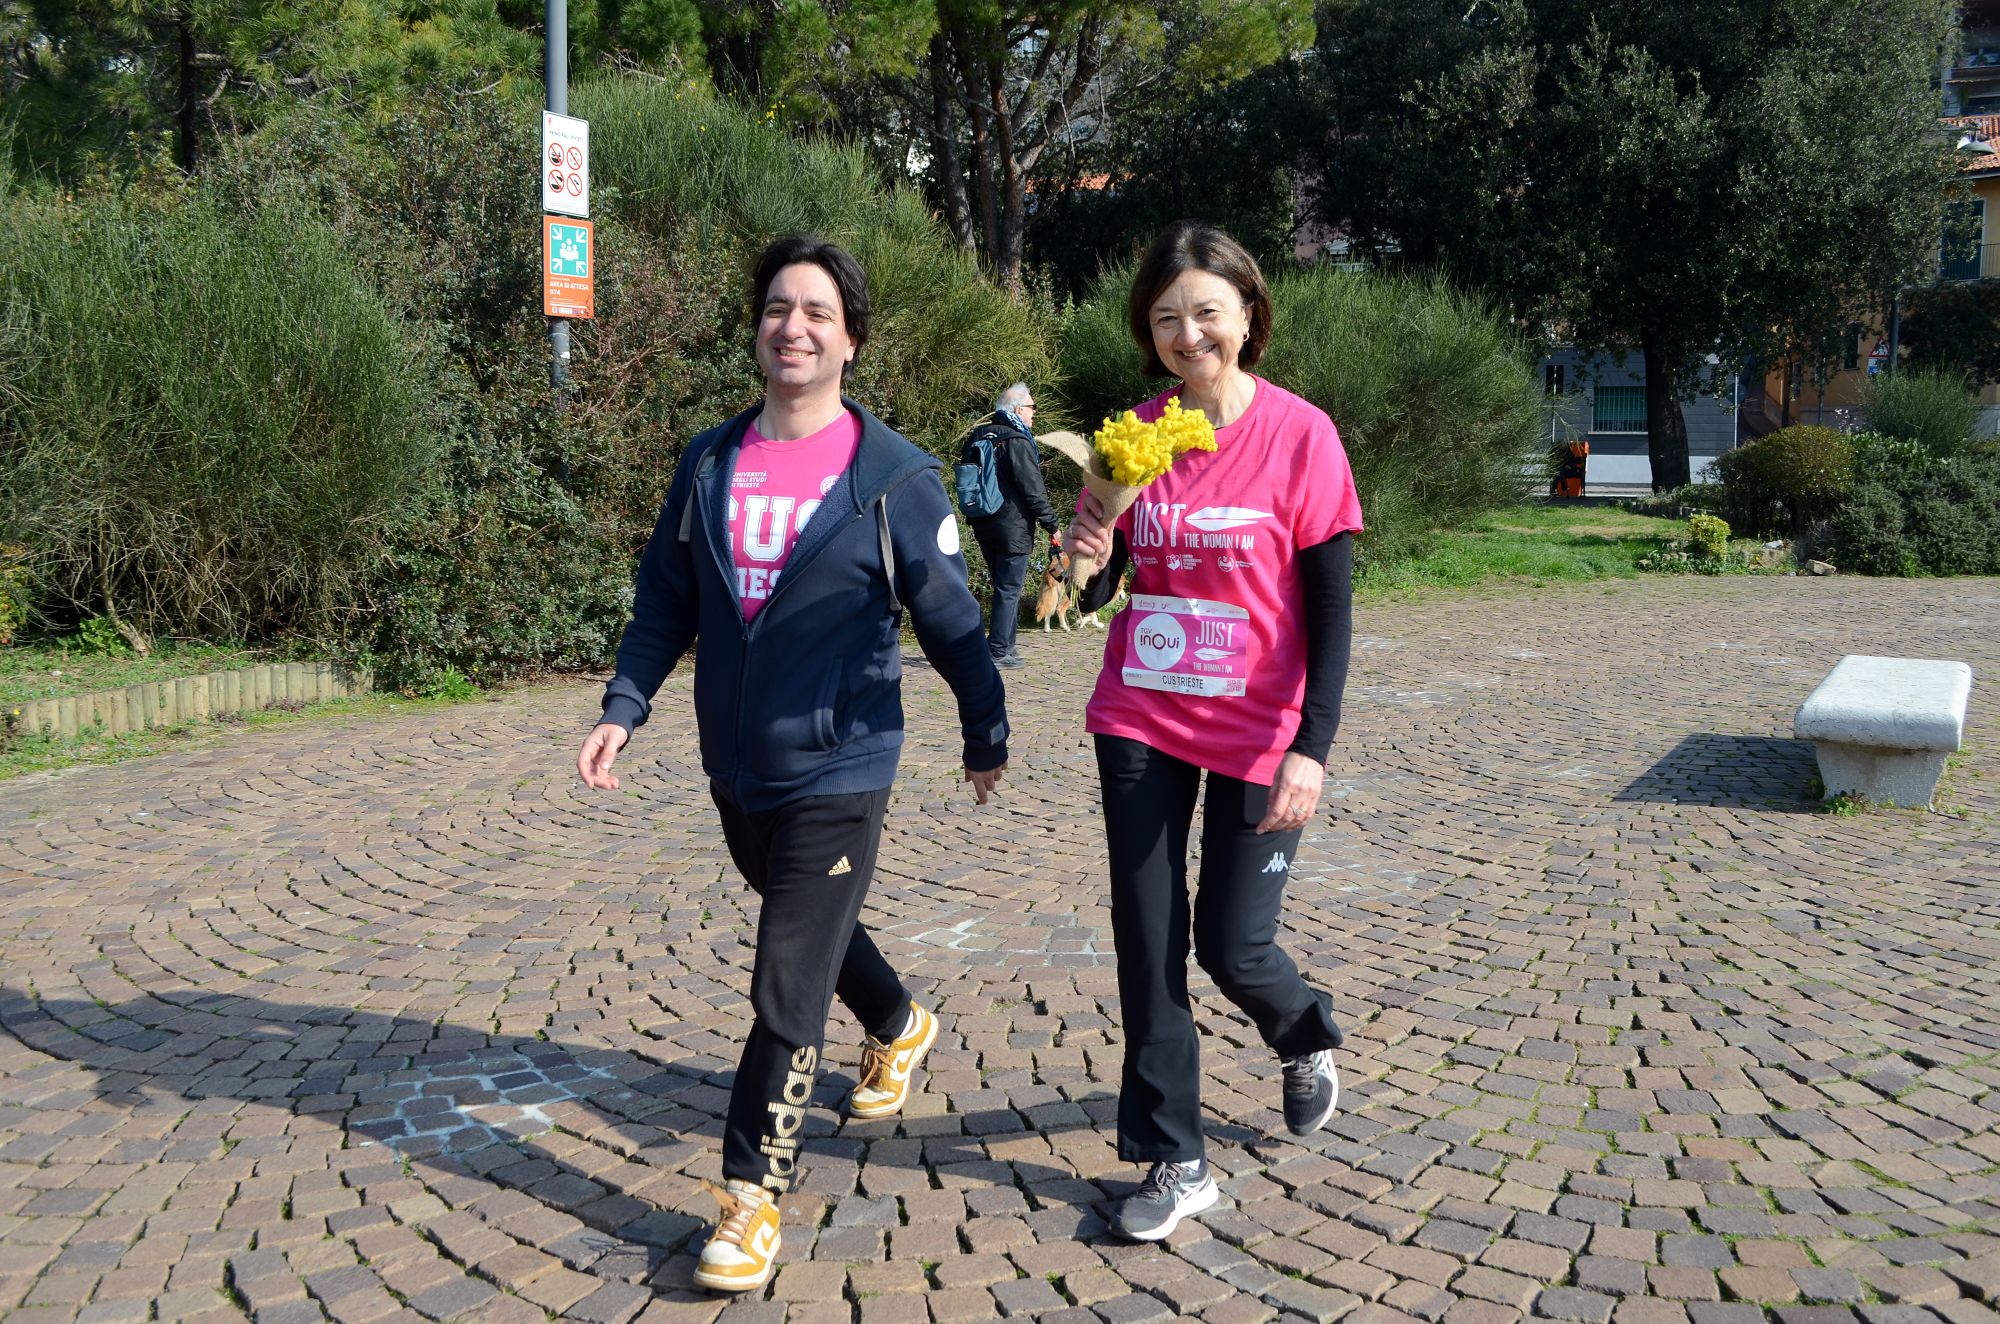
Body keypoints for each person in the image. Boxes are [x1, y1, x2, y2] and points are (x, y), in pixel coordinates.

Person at [577, 236, 1011, 1294]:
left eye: (818, 311)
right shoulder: (709, 461)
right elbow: (666, 600)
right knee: (805, 921)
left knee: (785, 976)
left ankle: (748, 1198)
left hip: (844, 759)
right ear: (757, 327)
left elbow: (951, 620)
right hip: (738, 764)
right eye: (778, 307)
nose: (794, 327)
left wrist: (984, 729)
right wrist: (624, 707)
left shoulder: (893, 477)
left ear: (851, 339)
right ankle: (900, 1024)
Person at [1065, 221, 1361, 1242]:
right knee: (1147, 941)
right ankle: (1174, 1156)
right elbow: (1102, 583)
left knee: (1232, 944)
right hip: (1140, 713)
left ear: (1247, 315)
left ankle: (1302, 1030)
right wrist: (1087, 548)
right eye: (1165, 318)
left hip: (1259, 727)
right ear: (1146, 333)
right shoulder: (1133, 435)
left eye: (1205, 313)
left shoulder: (1302, 436)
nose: (1187, 334)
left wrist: (1311, 747)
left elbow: (1331, 612)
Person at [959, 383, 1063, 668]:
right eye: (1031, 407)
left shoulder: (979, 435)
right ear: (1017, 410)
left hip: (983, 521)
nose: (1034, 413)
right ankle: (998, 650)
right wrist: (1052, 525)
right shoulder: (1016, 440)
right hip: (1012, 526)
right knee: (1009, 588)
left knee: (1004, 586)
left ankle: (1007, 645)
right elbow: (1033, 490)